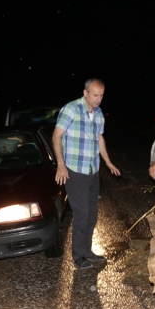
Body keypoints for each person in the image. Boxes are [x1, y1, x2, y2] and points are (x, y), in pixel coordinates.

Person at [53, 78, 121, 269]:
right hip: (75, 171)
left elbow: (99, 138)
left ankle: (87, 251)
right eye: (95, 95)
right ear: (85, 93)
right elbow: (57, 135)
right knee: (82, 214)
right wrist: (61, 164)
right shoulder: (71, 109)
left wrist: (107, 162)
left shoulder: (98, 113)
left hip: (93, 170)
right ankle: (78, 256)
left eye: (101, 95)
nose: (99, 99)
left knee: (91, 215)